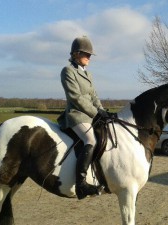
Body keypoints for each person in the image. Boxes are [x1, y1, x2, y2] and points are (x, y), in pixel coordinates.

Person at [57, 36, 108, 200]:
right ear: (76, 54)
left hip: (90, 114)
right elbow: (76, 98)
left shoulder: (88, 74)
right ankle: (81, 185)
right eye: (87, 54)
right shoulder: (68, 71)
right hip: (76, 115)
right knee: (90, 140)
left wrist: (102, 110)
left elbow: (94, 96)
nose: (89, 57)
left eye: (90, 55)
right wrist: (95, 112)